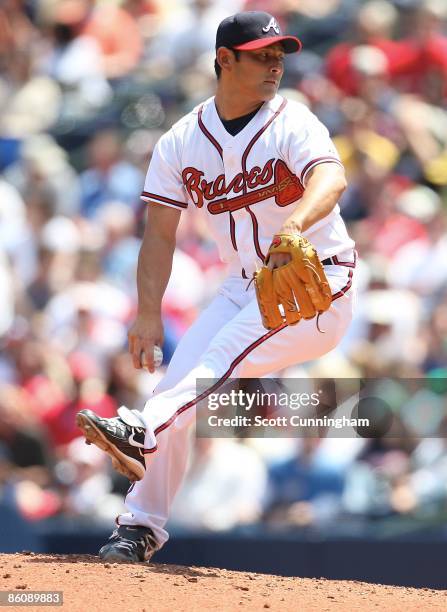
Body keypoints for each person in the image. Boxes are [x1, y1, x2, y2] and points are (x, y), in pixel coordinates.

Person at [76, 11, 356, 563]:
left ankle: (138, 429)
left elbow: (332, 177)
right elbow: (159, 234)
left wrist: (295, 225)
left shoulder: (292, 121)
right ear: (225, 59)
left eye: (280, 53)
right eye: (262, 54)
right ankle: (138, 527)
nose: (276, 63)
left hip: (319, 281)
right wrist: (148, 314)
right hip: (242, 284)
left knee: (214, 363)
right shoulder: (182, 140)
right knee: (177, 389)